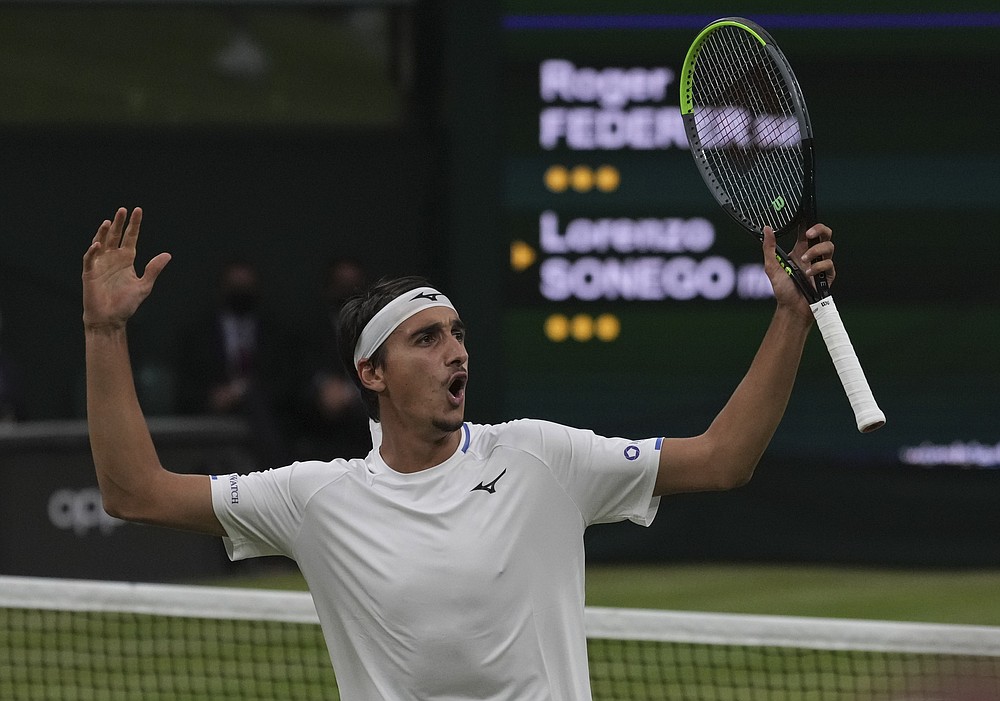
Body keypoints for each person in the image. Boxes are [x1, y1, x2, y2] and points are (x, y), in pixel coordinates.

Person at [83, 206, 836, 701]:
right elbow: (135, 491)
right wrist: (105, 334)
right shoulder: (316, 498)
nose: (455, 351)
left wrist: (791, 320)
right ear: (371, 373)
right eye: (426, 338)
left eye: (459, 334)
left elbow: (723, 457)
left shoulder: (543, 457)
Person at [175, 258, 299, 469]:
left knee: (256, 401)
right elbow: (184, 385)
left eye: (246, 286)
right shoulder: (198, 333)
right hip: (212, 412)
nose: (241, 292)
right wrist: (214, 397)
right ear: (222, 288)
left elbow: (288, 380)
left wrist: (245, 392)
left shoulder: (275, 332)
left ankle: (275, 474)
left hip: (268, 412)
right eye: (235, 286)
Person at [294, 257, 371, 460]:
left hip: (363, 412)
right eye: (341, 284)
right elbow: (301, 368)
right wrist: (323, 386)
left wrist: (349, 391)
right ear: (329, 287)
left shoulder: (374, 328)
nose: (348, 291)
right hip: (317, 418)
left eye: (353, 285)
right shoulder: (309, 328)